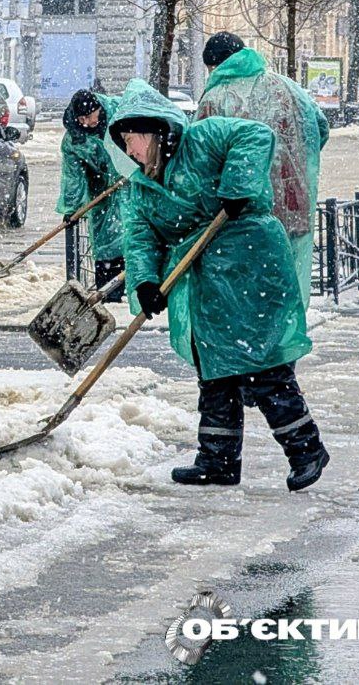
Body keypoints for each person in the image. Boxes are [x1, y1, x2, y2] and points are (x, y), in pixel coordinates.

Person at [108, 80, 329, 491]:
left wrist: (237, 187)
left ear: (152, 131)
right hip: (207, 283)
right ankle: (217, 460)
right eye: (122, 143)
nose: (129, 150)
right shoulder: (142, 186)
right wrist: (146, 283)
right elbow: (140, 239)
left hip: (249, 263)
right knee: (214, 371)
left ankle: (306, 449)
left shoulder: (203, 139)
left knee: (261, 363)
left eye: (132, 140)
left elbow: (256, 135)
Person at [196, 31, 330, 307]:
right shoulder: (287, 87)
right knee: (283, 284)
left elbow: (200, 157)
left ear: (216, 65)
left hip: (242, 209)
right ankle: (283, 330)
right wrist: (294, 164)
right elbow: (319, 128)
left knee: (245, 291)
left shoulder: (215, 98)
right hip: (292, 203)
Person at [57, 87, 126, 300]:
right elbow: (73, 177)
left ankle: (130, 289)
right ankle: (109, 293)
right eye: (82, 119)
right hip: (102, 192)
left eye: (90, 116)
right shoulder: (74, 140)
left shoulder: (118, 113)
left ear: (98, 109)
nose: (87, 122)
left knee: (132, 235)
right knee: (107, 241)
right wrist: (72, 209)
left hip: (129, 184)